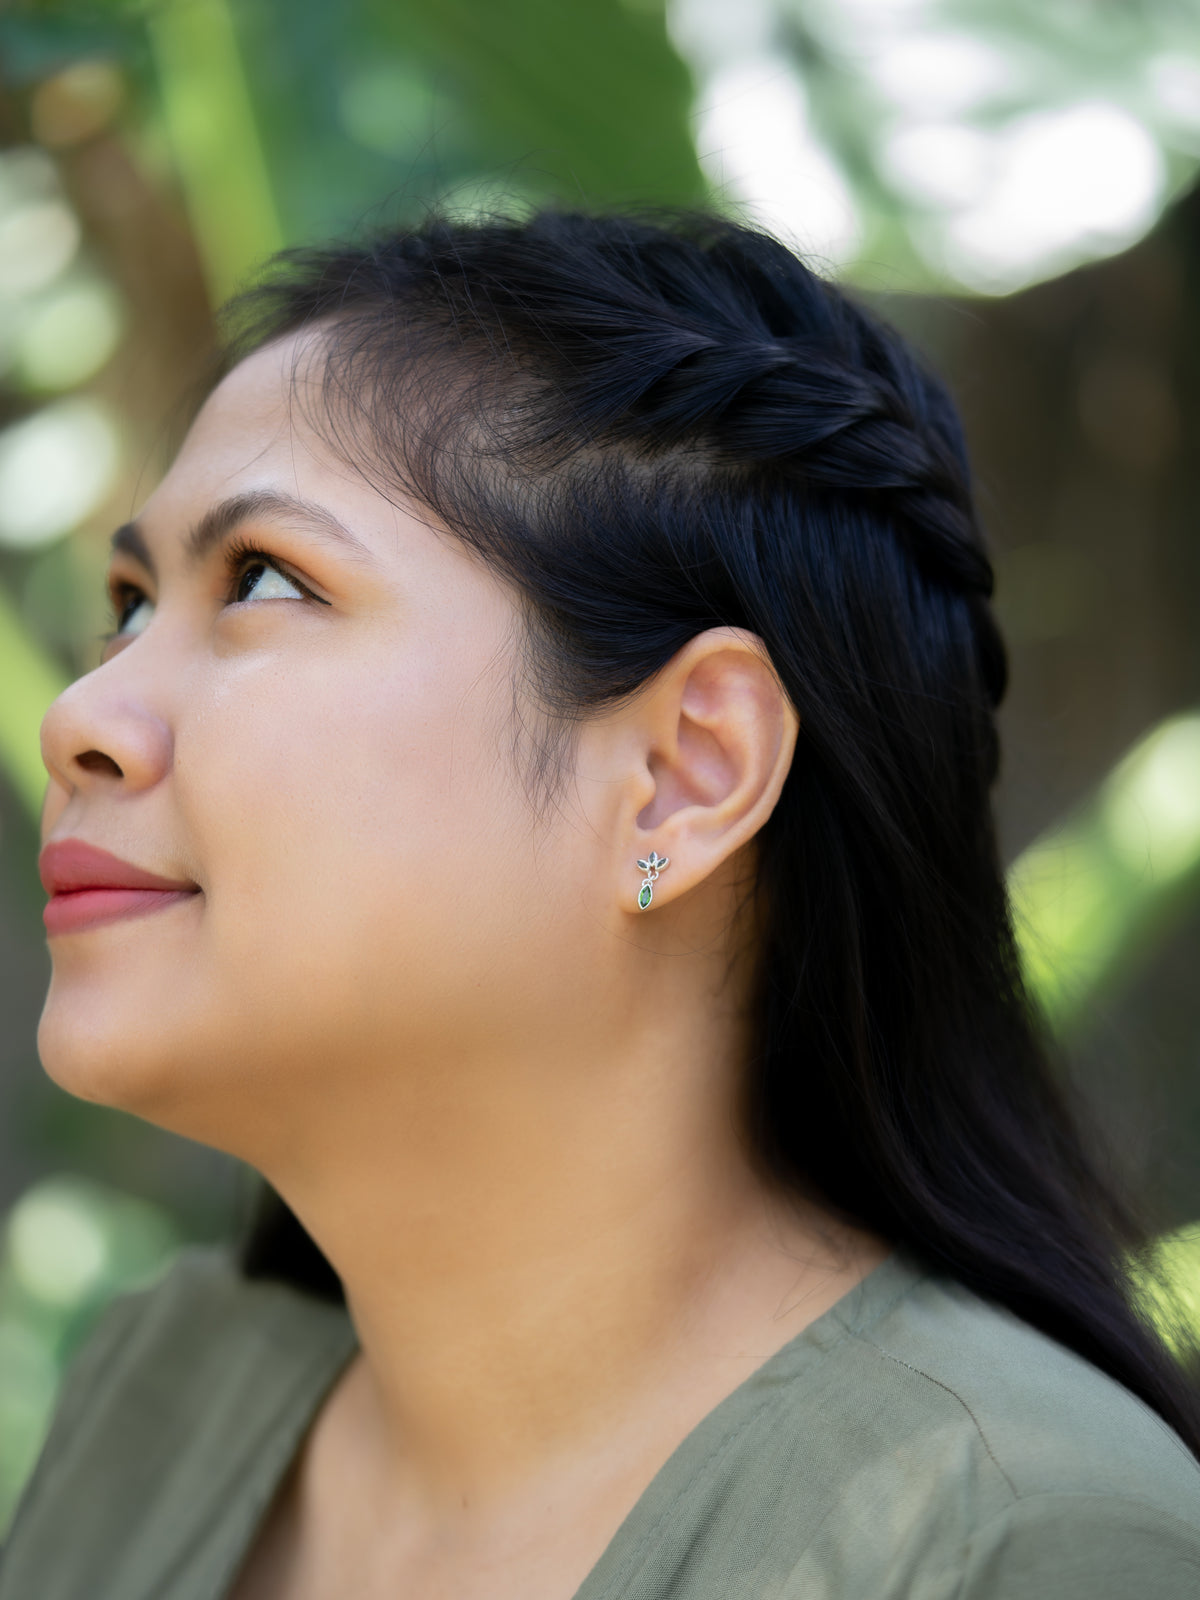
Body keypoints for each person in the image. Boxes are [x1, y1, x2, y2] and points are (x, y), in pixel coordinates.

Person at [4, 208, 1199, 1600]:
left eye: (264, 578)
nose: (83, 714)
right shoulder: (168, 1395)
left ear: (685, 774)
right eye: (130, 603)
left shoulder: (1013, 1538)